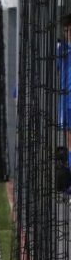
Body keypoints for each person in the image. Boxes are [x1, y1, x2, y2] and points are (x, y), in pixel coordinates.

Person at [59, 13, 71, 170]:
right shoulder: (62, 50)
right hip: (67, 103)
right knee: (69, 139)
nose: (69, 34)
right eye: (67, 30)